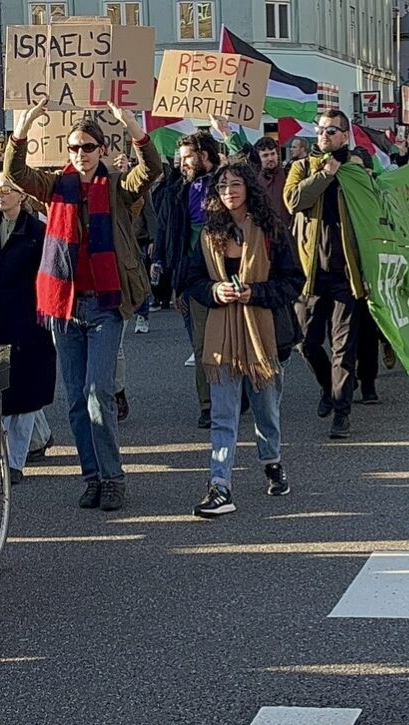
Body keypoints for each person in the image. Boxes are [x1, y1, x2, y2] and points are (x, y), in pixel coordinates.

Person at [7, 100, 162, 510]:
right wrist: (22, 128)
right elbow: (16, 173)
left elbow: (152, 170)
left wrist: (132, 126)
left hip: (106, 305)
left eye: (88, 147)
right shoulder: (55, 186)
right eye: (75, 148)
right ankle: (92, 477)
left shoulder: (117, 187)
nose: (81, 154)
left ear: (102, 149)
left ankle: (113, 478)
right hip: (65, 306)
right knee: (76, 400)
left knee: (98, 393)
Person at [180, 161, 302, 517]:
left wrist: (255, 293)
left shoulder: (271, 230)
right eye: (222, 186)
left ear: (249, 188)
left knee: (266, 410)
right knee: (223, 415)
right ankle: (220, 486)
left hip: (264, 335)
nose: (229, 191)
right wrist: (214, 290)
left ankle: (272, 461)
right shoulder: (209, 234)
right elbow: (192, 280)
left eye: (235, 184)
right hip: (222, 339)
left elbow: (294, 281)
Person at [285, 108, 369, 439]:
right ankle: (327, 387)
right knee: (306, 343)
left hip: (346, 273)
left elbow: (373, 217)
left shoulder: (356, 171)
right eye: (320, 130)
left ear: (345, 136)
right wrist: (324, 175)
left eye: (331, 130)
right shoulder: (303, 167)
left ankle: (342, 412)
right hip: (311, 273)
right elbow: (293, 200)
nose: (324, 135)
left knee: (343, 348)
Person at [0, 174, 56, 484]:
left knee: (23, 391)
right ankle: (42, 436)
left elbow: (49, 275)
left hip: (28, 321)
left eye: (7, 190)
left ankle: (14, 462)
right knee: (2, 390)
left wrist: (47, 313)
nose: (0, 195)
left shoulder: (38, 231)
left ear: (22, 195)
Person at [154, 125, 227, 427]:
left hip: (225, 276)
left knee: (231, 343)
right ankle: (208, 405)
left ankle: (237, 393)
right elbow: (166, 229)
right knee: (201, 346)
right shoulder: (178, 191)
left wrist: (228, 136)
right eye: (180, 157)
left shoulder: (226, 184)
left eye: (187, 157)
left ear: (205, 156)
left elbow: (251, 166)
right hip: (191, 280)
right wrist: (163, 265)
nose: (181, 163)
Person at [254, 136, 289, 223]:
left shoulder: (288, 175)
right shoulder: (254, 180)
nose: (270, 158)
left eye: (273, 154)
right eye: (265, 155)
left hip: (287, 227)